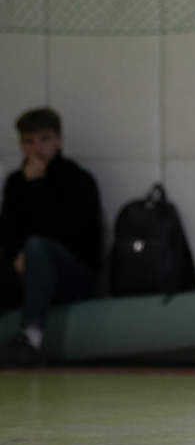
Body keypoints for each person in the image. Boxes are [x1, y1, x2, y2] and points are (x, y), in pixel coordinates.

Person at [0, 107, 103, 367]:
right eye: (29, 141)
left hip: (71, 277)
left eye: (44, 139)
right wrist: (17, 256)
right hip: (26, 272)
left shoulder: (79, 181)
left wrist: (36, 186)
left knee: (37, 247)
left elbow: (67, 235)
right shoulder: (15, 183)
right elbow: (8, 232)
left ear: (59, 140)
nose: (37, 149)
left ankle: (32, 340)